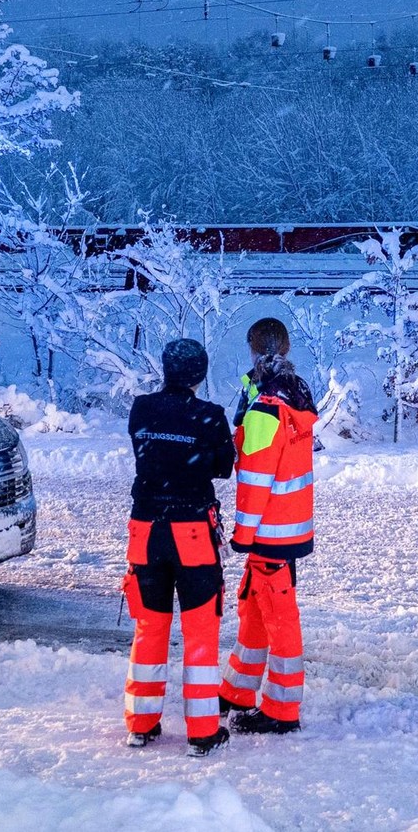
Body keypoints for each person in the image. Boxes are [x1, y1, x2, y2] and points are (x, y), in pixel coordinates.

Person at [122, 338, 236, 758]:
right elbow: (224, 468)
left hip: (146, 530)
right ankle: (202, 732)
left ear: (165, 369)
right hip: (191, 532)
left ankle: (141, 724)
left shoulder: (142, 408)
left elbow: (145, 449)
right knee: (200, 633)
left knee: (150, 627)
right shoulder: (210, 416)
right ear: (200, 374)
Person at [220, 318, 316, 735]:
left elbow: (255, 479)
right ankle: (238, 690)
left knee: (277, 617)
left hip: (268, 532)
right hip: (290, 526)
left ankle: (282, 709)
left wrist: (241, 536)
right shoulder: (295, 395)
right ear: (288, 347)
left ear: (252, 348)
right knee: (257, 610)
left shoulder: (264, 409)